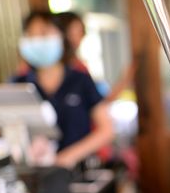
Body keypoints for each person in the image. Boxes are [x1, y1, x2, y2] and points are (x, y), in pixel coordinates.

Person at [12, 10, 114, 169]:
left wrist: (67, 157)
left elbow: (106, 129)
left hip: (81, 171)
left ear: (61, 37)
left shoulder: (81, 80)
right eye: (31, 35)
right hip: (37, 173)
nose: (38, 40)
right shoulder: (18, 83)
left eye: (44, 33)